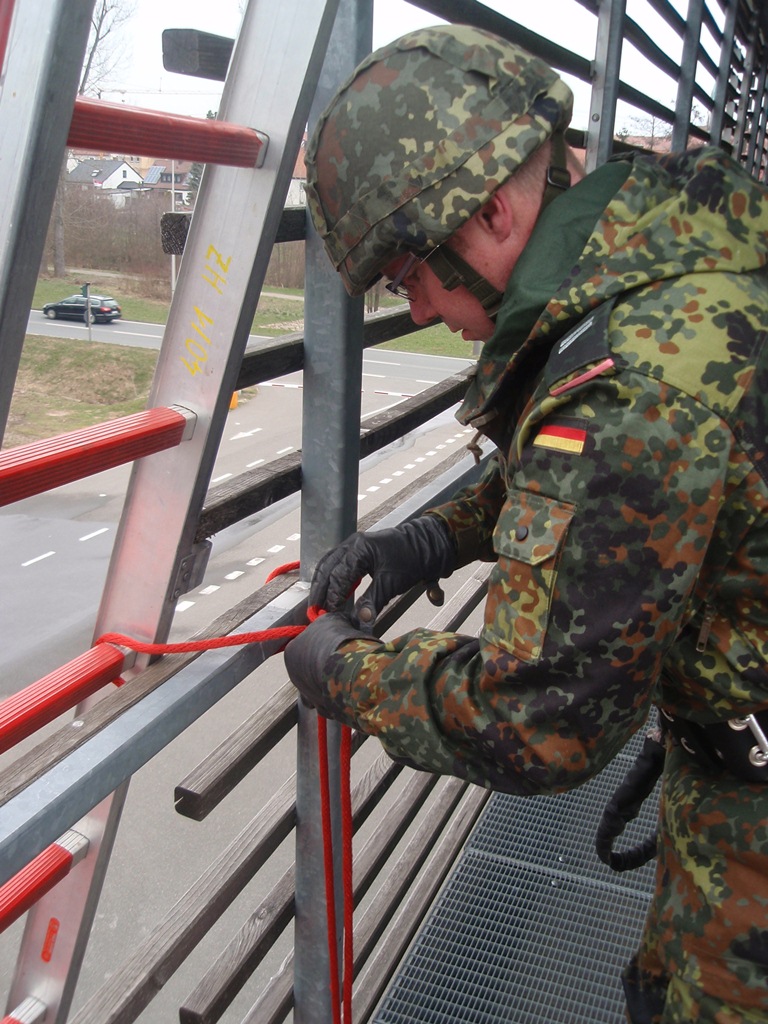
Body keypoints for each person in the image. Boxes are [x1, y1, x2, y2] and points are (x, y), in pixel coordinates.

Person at [283, 23, 768, 1024]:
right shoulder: (670, 256)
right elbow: (617, 496)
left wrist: (347, 674)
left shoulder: (628, 382)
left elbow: (540, 719)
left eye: (409, 274)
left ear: (491, 212)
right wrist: (438, 534)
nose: (420, 310)